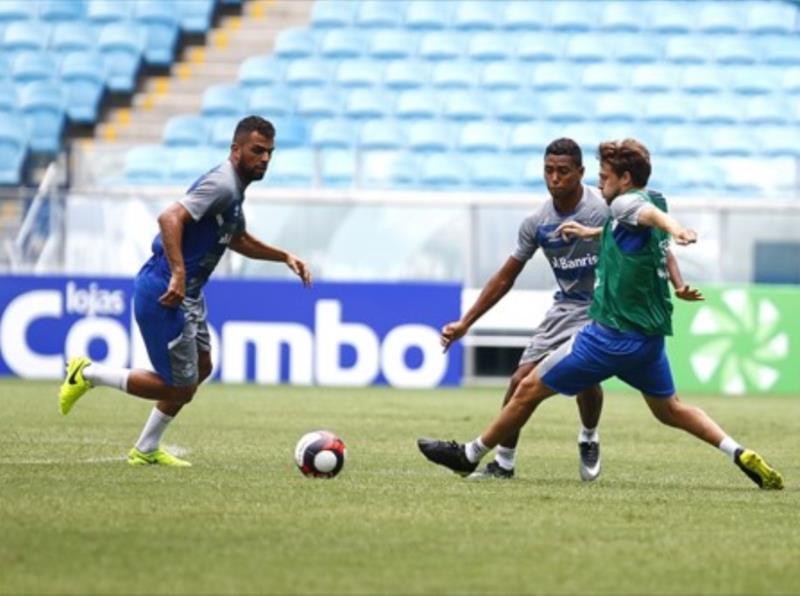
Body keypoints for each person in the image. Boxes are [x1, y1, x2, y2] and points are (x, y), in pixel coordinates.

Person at [419, 139, 783, 490]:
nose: (598, 180)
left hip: (607, 331)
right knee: (670, 409)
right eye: (549, 170)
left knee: (529, 387)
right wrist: (604, 237)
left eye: (603, 174)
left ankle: (472, 454)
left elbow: (643, 216)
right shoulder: (640, 203)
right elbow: (636, 227)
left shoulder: (623, 204)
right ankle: (738, 451)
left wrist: (676, 229)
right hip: (647, 339)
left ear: (623, 179)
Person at [442, 138, 702, 481]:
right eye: (549, 171)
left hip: (604, 306)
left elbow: (656, 241)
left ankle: (589, 436)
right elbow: (506, 276)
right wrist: (465, 323)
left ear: (580, 173)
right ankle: (503, 462)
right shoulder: (537, 223)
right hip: (565, 305)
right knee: (520, 379)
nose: (555, 178)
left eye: (563, 171)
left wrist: (677, 283)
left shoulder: (607, 205)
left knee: (585, 378)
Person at [58, 115, 312, 467]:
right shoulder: (222, 184)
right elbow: (169, 219)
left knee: (202, 367)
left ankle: (146, 448)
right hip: (165, 289)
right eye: (257, 150)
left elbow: (237, 238)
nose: (265, 158)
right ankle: (86, 373)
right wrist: (178, 273)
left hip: (188, 293)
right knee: (180, 387)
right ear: (235, 149)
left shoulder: (235, 191)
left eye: (269, 152)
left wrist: (283, 256)